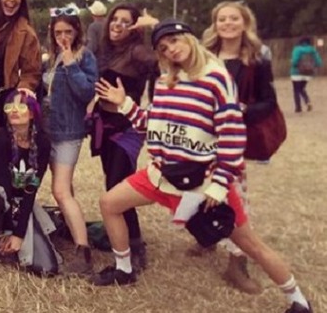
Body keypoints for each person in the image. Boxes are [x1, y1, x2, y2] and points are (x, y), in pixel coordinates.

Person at [91, 20, 313, 313]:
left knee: (251, 245)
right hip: (162, 175)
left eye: (174, 40)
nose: (170, 48)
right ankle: (123, 269)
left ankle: (297, 300)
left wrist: (220, 183)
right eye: (163, 47)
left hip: (202, 184)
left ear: (189, 38)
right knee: (109, 203)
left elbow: (233, 136)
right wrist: (125, 105)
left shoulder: (215, 78)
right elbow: (152, 125)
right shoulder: (165, 82)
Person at [201, 1, 280, 293]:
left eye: (234, 18)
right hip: (203, 135)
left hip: (233, 138)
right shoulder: (205, 56)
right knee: (200, 188)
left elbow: (268, 101)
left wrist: (242, 110)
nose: (228, 23)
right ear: (215, 23)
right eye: (222, 18)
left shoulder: (256, 60)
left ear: (244, 22)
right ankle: (206, 238)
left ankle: (237, 261)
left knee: (235, 196)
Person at [87, 3, 158, 270]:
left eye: (125, 21)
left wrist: (154, 26)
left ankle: (136, 247)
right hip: (105, 126)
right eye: (114, 19)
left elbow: (167, 61)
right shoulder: (108, 50)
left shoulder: (137, 51)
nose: (117, 24)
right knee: (112, 185)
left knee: (120, 190)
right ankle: (122, 237)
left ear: (135, 27)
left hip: (126, 128)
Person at [0, 90, 61, 276]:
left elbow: (31, 189)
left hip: (22, 203)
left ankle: (20, 240)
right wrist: (10, 230)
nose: (14, 110)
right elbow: (4, 188)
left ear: (33, 112)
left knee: (47, 269)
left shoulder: (42, 143)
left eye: (21, 106)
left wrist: (18, 235)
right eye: (9, 106)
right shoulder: (0, 140)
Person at [41, 7, 98, 275]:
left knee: (60, 190)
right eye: (58, 31)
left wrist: (71, 63)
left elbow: (87, 92)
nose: (63, 36)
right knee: (67, 190)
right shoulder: (50, 58)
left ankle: (82, 252)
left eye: (68, 31)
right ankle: (71, 229)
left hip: (68, 134)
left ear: (77, 32)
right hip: (48, 130)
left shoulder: (84, 57)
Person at [290, 37, 323, 113]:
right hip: (308, 73)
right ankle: (308, 102)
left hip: (296, 73)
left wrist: (292, 63)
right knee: (302, 88)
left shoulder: (297, 49)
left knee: (296, 90)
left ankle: (298, 108)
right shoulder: (312, 50)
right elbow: (319, 62)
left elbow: (295, 61)